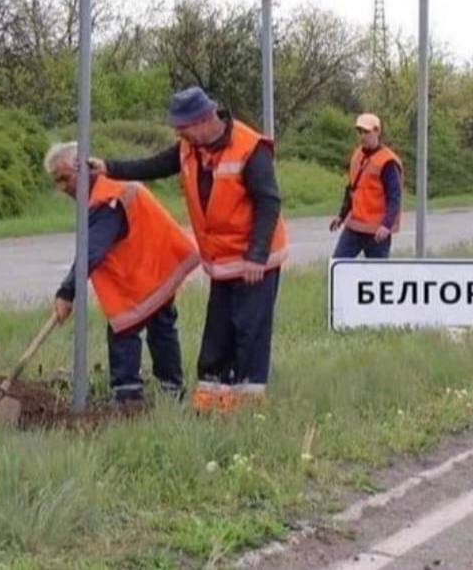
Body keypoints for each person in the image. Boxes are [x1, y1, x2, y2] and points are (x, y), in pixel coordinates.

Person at [91, 86, 288, 411]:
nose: (179, 134)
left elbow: (268, 203)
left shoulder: (250, 147)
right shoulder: (189, 147)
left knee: (249, 332)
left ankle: (248, 408)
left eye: (182, 128)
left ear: (204, 120)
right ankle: (212, 402)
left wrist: (257, 255)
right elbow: (154, 166)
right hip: (223, 261)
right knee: (218, 332)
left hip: (256, 262)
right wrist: (108, 167)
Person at [45, 142, 199, 403]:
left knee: (125, 327)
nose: (63, 188)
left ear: (83, 168)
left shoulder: (108, 198)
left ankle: (129, 396)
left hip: (152, 268)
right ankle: (169, 390)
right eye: (57, 182)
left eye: (64, 178)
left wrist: (66, 292)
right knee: (158, 325)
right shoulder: (107, 190)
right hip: (151, 268)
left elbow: (91, 251)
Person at [329, 112, 403, 259]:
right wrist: (341, 216)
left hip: (377, 231)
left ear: (377, 131)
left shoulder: (387, 161)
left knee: (377, 275)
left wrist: (386, 225)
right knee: (338, 266)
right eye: (360, 132)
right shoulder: (357, 155)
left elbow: (394, 197)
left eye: (367, 132)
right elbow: (352, 188)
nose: (363, 136)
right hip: (355, 226)